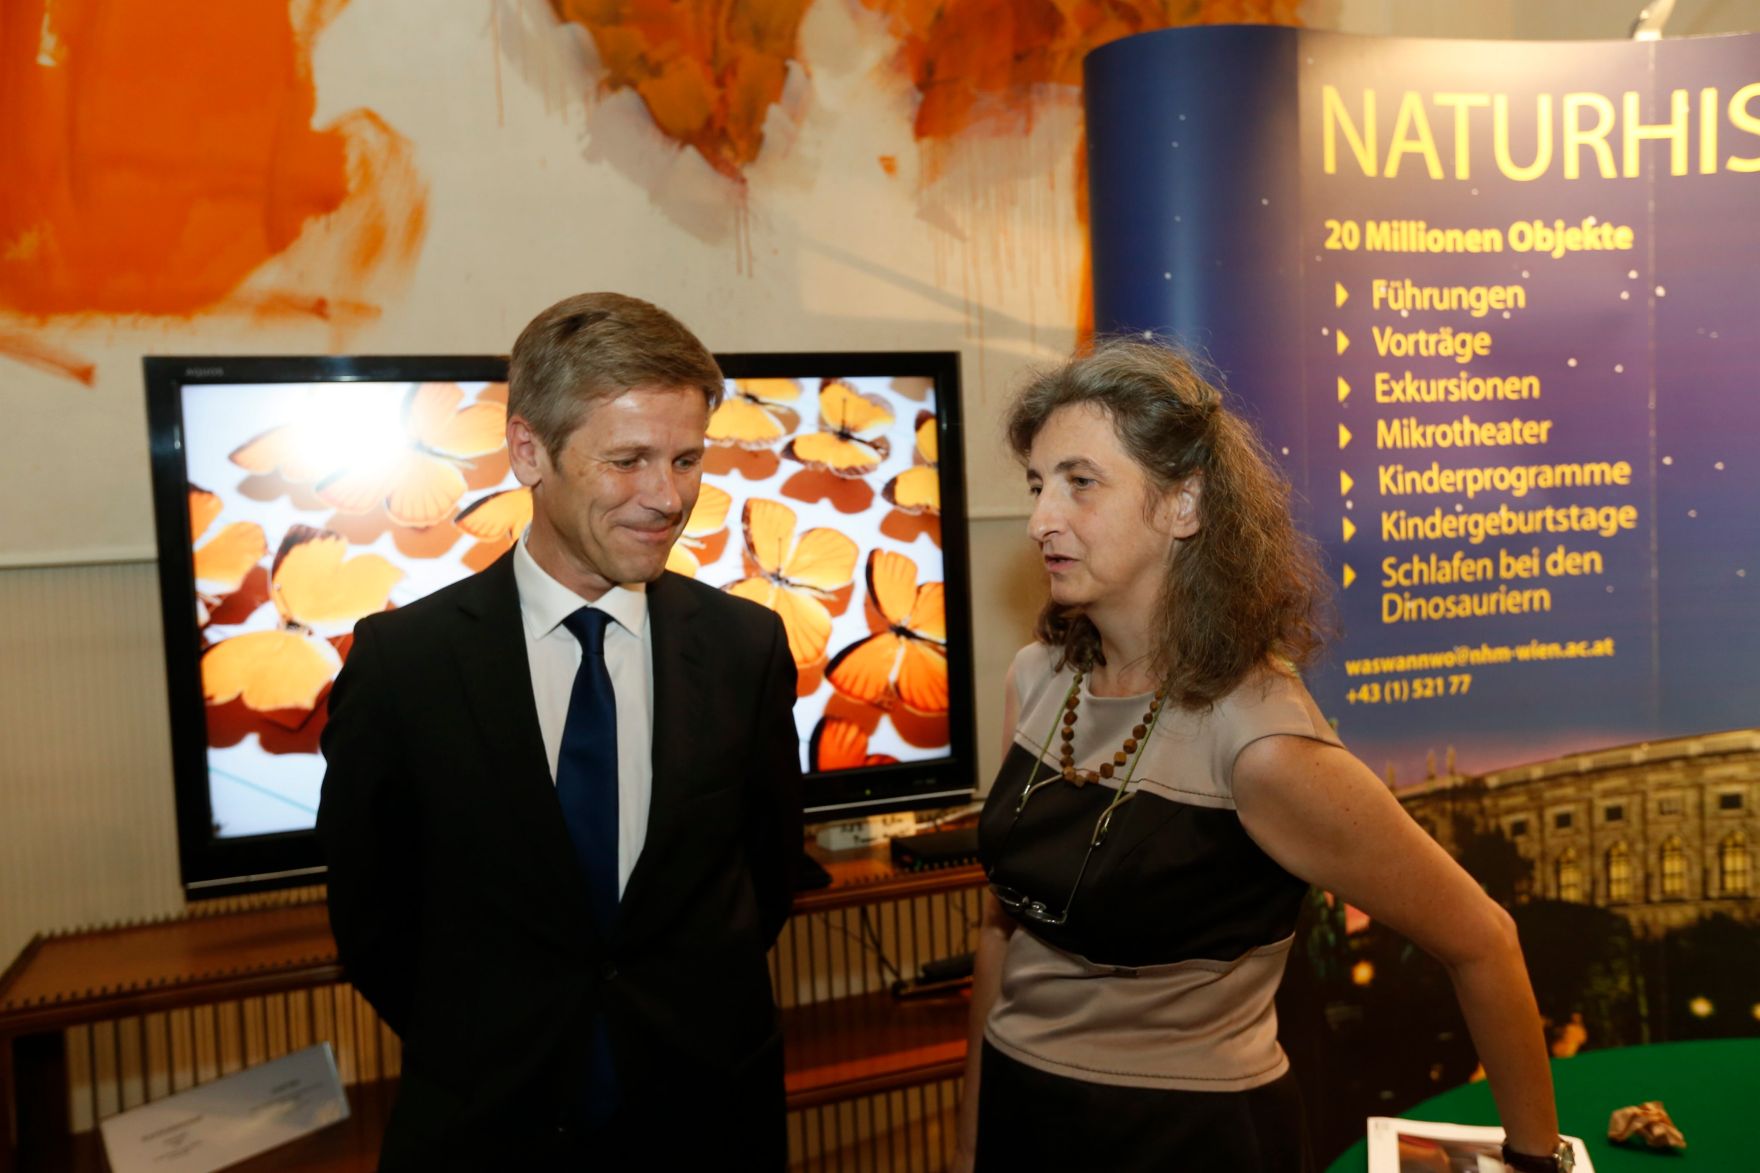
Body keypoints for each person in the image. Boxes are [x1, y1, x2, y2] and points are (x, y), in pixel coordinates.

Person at [953, 340, 1568, 1173]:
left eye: (1080, 482)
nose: (1040, 519)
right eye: (1036, 485)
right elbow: (1004, 927)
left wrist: (1535, 1158)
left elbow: (1481, 939)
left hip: (1184, 1139)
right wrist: (969, 1136)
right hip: (1025, 1114)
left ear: (1184, 504)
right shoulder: (1036, 679)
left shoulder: (1264, 741)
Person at [318, 292, 802, 1171]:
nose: (668, 497)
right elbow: (371, 919)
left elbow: (764, 877)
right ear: (527, 450)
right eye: (628, 460)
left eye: (687, 458)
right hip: (487, 1128)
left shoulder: (745, 648)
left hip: (705, 1123)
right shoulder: (405, 666)